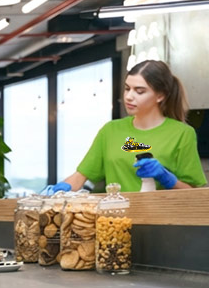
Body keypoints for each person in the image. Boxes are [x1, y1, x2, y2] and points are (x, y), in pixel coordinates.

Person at [43, 60, 206, 193]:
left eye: (139, 91)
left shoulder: (182, 133)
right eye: (127, 88)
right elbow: (81, 176)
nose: (129, 96)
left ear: (160, 95)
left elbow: (194, 192)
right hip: (114, 223)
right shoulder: (110, 131)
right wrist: (59, 191)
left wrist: (167, 178)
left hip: (163, 225)